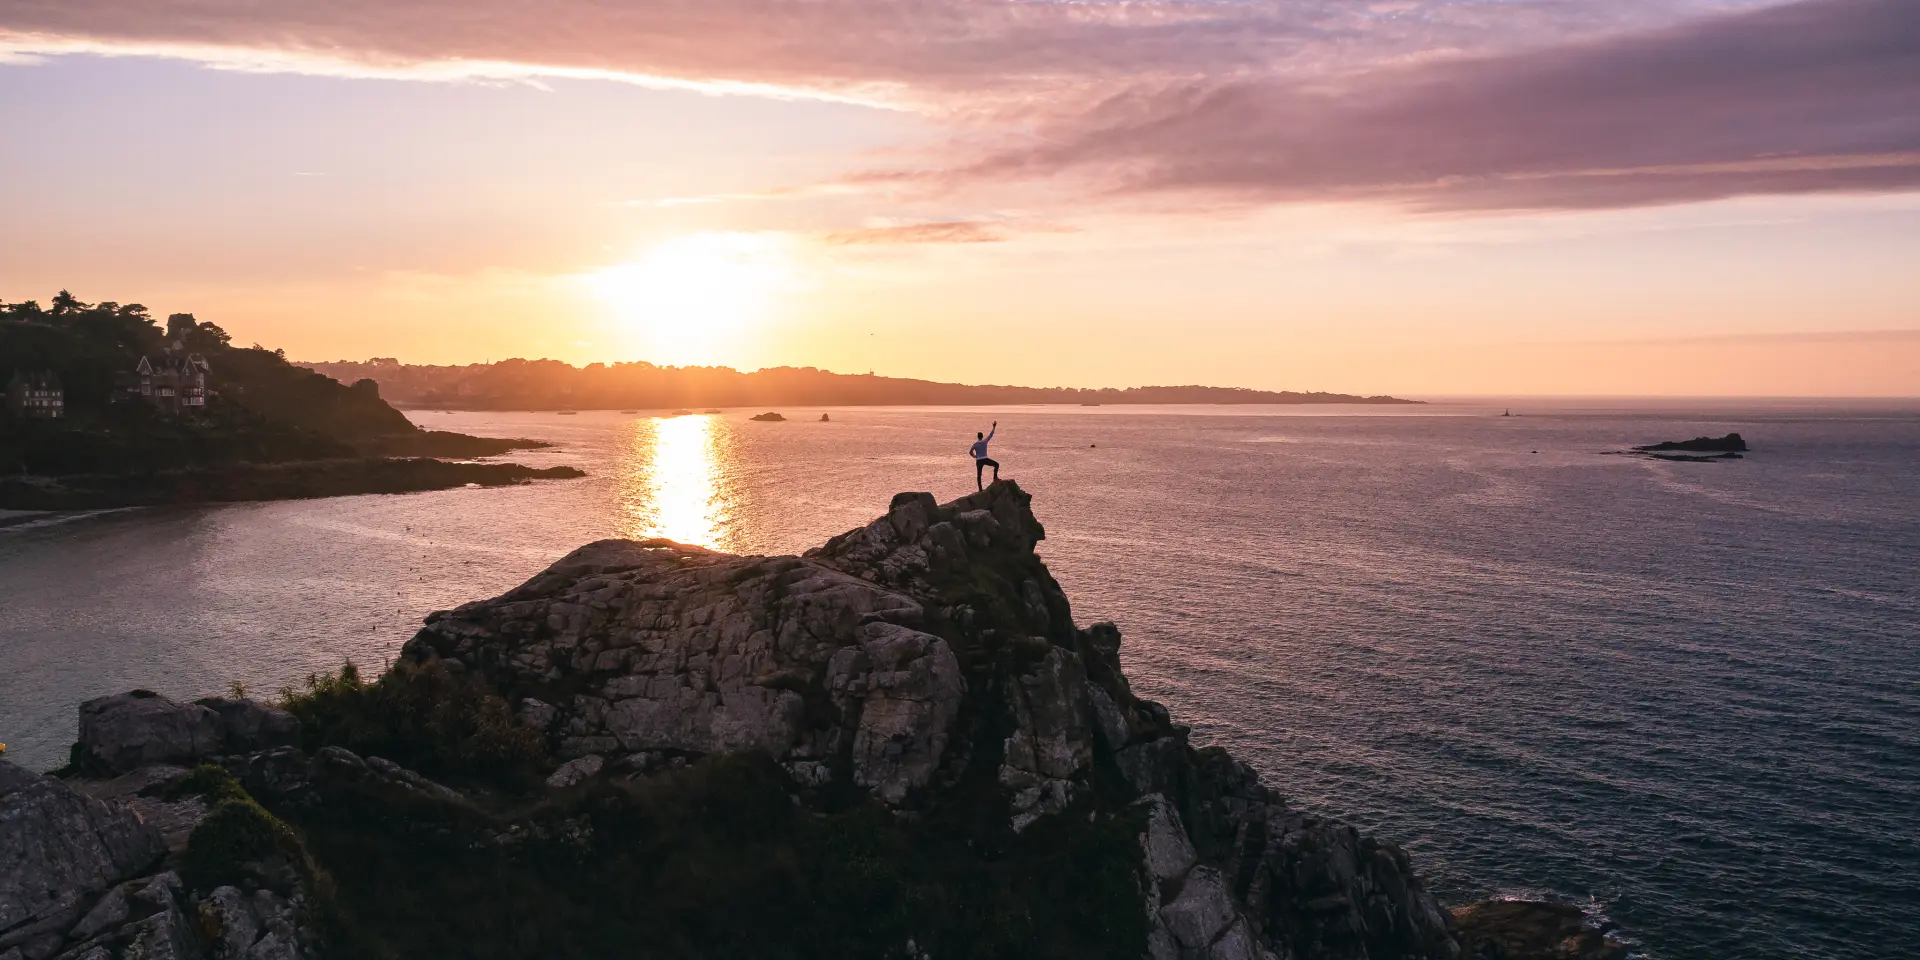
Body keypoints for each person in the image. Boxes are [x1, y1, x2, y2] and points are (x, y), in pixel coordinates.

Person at [969, 421, 999, 490]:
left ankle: (980, 489)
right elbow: (991, 434)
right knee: (996, 465)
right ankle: (995, 478)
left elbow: (970, 452)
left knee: (979, 475)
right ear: (982, 436)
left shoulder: (975, 444)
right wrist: (994, 427)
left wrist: (974, 456)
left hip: (979, 460)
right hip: (985, 459)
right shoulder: (985, 441)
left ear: (977, 437)